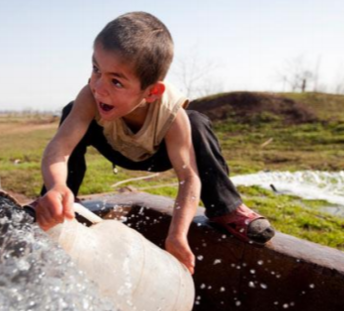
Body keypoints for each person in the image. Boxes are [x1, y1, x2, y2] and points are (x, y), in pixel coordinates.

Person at [31, 11, 274, 275]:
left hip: (157, 154)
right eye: (96, 69)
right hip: (115, 148)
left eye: (116, 81)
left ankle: (226, 209)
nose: (99, 86)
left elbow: (188, 179)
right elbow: (60, 148)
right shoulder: (90, 96)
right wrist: (56, 186)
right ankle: (57, 201)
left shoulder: (172, 114)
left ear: (152, 92)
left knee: (198, 123)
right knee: (71, 112)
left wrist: (177, 235)